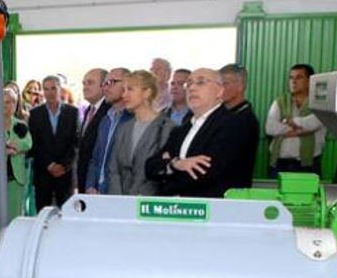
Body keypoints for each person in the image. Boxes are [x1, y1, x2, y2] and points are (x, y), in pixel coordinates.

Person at [146, 68, 240, 197]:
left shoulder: (232, 123)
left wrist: (167, 172)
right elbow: (150, 167)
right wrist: (176, 164)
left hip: (209, 210)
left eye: (200, 82)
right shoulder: (181, 130)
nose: (191, 88)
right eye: (188, 84)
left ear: (220, 91)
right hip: (174, 209)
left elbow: (206, 174)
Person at [107, 70, 175, 196]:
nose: (124, 95)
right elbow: (114, 169)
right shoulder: (124, 128)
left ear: (147, 92)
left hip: (151, 204)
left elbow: (163, 169)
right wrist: (118, 199)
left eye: (130, 89)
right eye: (124, 90)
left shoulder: (167, 128)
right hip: (121, 204)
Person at [0, 87, 32, 234]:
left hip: (15, 179)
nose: (9, 105)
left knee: (15, 218)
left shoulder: (20, 124)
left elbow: (28, 143)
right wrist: (5, 147)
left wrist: (13, 146)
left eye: (12, 102)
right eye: (5, 102)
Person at [265, 64, 326, 177]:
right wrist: (299, 130)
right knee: (276, 194)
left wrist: (288, 122)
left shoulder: (320, 103)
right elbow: (270, 128)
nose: (293, 81)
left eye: (299, 77)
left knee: (308, 194)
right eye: (291, 78)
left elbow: (312, 124)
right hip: (279, 164)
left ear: (310, 81)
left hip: (308, 165)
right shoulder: (280, 101)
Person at [28, 75, 79, 210]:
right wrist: (50, 165)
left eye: (53, 88)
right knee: (43, 214)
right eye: (46, 89)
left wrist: (63, 166)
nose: (50, 93)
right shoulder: (35, 114)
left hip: (65, 174)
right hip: (43, 174)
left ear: (60, 89)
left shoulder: (73, 112)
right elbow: (35, 144)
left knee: (66, 212)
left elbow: (75, 143)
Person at [85, 67, 131, 194]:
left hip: (121, 195)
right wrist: (90, 186)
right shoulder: (106, 120)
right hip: (98, 193)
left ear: (127, 85)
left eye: (112, 82)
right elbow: (96, 159)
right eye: (104, 83)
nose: (106, 88)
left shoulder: (133, 120)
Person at [219, 63, 260, 189]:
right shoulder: (223, 114)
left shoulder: (244, 120)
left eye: (225, 84)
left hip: (233, 191)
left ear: (240, 86)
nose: (219, 89)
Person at [75, 68, 109, 193]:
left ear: (104, 86)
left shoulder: (109, 111)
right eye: (84, 83)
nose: (85, 87)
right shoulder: (89, 109)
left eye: (90, 83)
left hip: (98, 185)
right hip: (85, 182)